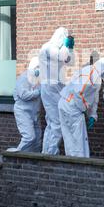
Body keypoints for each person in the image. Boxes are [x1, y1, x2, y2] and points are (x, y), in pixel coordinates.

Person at [59, 57, 104, 158]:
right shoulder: (90, 74)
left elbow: (94, 97)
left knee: (71, 138)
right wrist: (84, 109)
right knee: (78, 139)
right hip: (71, 106)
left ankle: (73, 163)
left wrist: (93, 114)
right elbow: (78, 92)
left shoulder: (95, 76)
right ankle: (79, 164)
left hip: (68, 104)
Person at [39, 27, 75, 155]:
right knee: (57, 122)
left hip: (57, 87)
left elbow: (70, 62)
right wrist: (67, 47)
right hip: (50, 88)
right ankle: (51, 153)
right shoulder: (48, 47)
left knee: (52, 122)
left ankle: (47, 152)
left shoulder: (59, 48)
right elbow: (62, 57)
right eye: (64, 38)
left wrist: (70, 49)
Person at [8, 57, 42, 153]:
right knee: (29, 136)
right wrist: (38, 92)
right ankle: (18, 154)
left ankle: (34, 160)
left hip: (35, 112)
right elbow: (23, 95)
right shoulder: (23, 78)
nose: (40, 70)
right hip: (23, 112)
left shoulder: (38, 79)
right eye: (38, 67)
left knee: (38, 139)